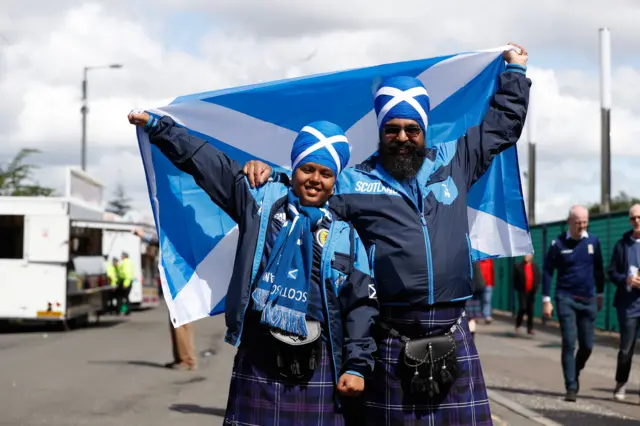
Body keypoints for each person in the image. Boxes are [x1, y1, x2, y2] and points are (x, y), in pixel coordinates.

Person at [243, 43, 530, 425]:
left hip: (453, 328)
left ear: (424, 130)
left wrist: (515, 73)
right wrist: (267, 174)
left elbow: (502, 126)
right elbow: (309, 187)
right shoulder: (354, 181)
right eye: (392, 129)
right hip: (392, 335)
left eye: (412, 129)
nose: (402, 136)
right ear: (381, 131)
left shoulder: (455, 160)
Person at [128, 112, 379, 425]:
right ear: (294, 167)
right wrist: (160, 127)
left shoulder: (347, 235)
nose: (315, 179)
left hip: (321, 363)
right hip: (259, 357)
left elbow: (360, 307)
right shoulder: (259, 200)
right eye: (308, 168)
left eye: (325, 173)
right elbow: (207, 162)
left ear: (335, 179)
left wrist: (356, 366)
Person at [542, 205, 604, 402]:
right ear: (569, 221)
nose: (581, 226)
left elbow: (599, 269)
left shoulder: (593, 241)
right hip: (565, 298)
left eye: (585, 222)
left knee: (587, 345)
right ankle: (570, 386)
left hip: (588, 299)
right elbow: (547, 271)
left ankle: (574, 370)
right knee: (569, 342)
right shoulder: (558, 244)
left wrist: (600, 293)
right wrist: (546, 300)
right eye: (578, 223)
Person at [133, 228, 199, 372]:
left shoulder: (180, 237)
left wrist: (143, 235)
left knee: (181, 323)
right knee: (178, 323)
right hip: (181, 284)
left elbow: (160, 240)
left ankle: (187, 360)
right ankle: (182, 358)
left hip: (181, 285)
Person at [607, 204, 640, 401]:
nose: (637, 220)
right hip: (628, 305)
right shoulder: (622, 245)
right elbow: (611, 271)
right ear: (630, 221)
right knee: (626, 348)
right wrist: (626, 280)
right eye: (633, 218)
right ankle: (621, 384)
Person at [512, 253, 540, 335]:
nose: (526, 257)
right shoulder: (518, 266)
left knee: (530, 310)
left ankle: (530, 328)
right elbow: (514, 279)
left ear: (531, 256)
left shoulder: (535, 267)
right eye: (525, 255)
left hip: (531, 291)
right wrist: (517, 288)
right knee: (523, 308)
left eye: (528, 255)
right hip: (522, 291)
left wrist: (536, 288)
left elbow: (538, 278)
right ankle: (518, 324)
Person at [466, 262, 487, 339]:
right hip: (473, 294)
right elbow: (480, 284)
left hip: (465, 294)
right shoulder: (474, 262)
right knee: (471, 318)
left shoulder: (459, 260)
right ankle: (470, 339)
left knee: (466, 318)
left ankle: (468, 338)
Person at [117, 251, 134, 315]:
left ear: (124, 256)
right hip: (127, 281)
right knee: (125, 297)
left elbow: (127, 274)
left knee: (122, 297)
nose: (121, 257)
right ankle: (126, 311)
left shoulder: (125, 263)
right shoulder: (129, 262)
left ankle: (124, 310)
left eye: (122, 255)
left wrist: (125, 284)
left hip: (125, 282)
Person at [479, 258, 495, 323]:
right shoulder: (478, 260)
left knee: (487, 300)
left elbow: (492, 272)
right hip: (479, 284)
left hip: (488, 284)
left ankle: (487, 316)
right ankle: (477, 315)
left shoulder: (490, 260)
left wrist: (493, 283)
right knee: (479, 300)